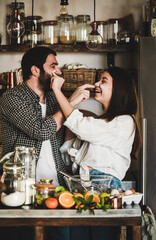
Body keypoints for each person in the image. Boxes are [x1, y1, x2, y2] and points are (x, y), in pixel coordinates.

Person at [51, 66, 142, 240]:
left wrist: (57, 91)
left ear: (119, 89)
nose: (97, 84)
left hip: (104, 187)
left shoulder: (124, 121)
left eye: (104, 81)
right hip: (85, 185)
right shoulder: (103, 122)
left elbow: (81, 126)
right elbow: (76, 134)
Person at [0, 46, 73, 240]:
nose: (58, 72)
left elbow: (66, 131)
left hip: (56, 188)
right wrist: (71, 101)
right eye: (53, 66)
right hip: (22, 190)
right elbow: (41, 130)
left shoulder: (54, 99)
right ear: (35, 70)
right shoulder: (12, 98)